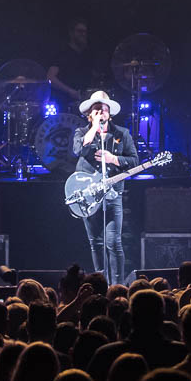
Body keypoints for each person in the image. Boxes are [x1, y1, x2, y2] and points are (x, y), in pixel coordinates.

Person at [71, 91, 136, 279]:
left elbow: (134, 160)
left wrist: (113, 158)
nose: (101, 113)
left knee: (114, 242)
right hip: (89, 195)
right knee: (96, 243)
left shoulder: (122, 134)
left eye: (104, 109)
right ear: (89, 115)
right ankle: (101, 282)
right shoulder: (82, 132)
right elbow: (78, 150)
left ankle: (117, 286)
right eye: (97, 110)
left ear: (110, 114)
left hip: (113, 193)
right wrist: (94, 128)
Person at [47, 18, 102, 109]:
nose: (83, 34)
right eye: (80, 31)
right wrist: (70, 91)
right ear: (71, 33)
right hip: (64, 104)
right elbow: (50, 78)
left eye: (85, 32)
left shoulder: (87, 54)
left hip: (84, 103)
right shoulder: (62, 52)